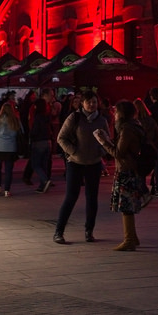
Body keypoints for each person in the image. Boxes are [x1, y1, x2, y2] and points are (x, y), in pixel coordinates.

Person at [53, 90, 109, 244]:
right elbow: (61, 138)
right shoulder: (74, 117)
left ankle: (89, 231)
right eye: (89, 102)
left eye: (94, 102)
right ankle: (59, 231)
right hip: (75, 163)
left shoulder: (102, 120)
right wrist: (73, 152)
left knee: (92, 199)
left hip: (94, 164)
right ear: (82, 103)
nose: (92, 105)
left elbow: (108, 140)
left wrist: (102, 152)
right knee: (71, 197)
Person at [93, 100, 147, 251]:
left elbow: (118, 153)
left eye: (116, 112)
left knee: (126, 206)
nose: (114, 114)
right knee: (127, 204)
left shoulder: (127, 129)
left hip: (126, 170)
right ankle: (132, 237)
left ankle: (129, 239)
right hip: (130, 168)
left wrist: (103, 142)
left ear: (121, 114)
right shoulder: (134, 126)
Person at [0, 101, 21, 197]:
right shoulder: (16, 120)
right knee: (8, 170)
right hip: (11, 149)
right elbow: (21, 134)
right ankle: (7, 190)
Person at [29, 98, 54, 194]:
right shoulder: (47, 116)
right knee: (44, 164)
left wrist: (31, 136)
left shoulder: (38, 117)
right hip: (48, 142)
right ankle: (42, 186)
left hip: (39, 142)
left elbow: (35, 130)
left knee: (35, 164)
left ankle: (45, 180)